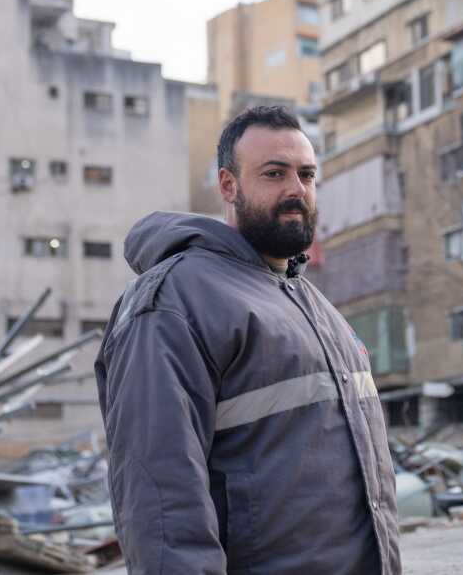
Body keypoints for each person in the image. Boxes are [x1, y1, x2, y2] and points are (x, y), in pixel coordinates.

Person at [95, 105, 401, 574]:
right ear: (228, 185)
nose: (296, 190)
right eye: (274, 173)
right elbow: (159, 495)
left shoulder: (313, 305)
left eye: (307, 174)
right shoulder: (173, 301)